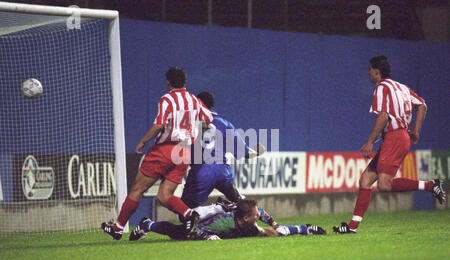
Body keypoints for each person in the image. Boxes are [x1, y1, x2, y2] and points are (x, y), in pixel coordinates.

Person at [333, 55, 447, 234]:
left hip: (394, 138)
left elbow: (383, 115)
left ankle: (431, 185)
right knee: (365, 180)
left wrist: (370, 141)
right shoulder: (402, 87)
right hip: (399, 137)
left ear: (377, 72)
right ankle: (352, 227)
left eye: (370, 68)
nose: (368, 72)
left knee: (384, 184)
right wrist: (416, 131)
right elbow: (423, 105)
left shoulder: (381, 87)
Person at [102, 67, 213, 240]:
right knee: (164, 195)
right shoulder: (194, 100)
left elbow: (160, 124)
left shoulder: (167, 99)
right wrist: (193, 132)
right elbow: (208, 119)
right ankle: (190, 214)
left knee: (137, 189)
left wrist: (143, 141)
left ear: (168, 82)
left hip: (165, 150)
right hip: (184, 152)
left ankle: (117, 228)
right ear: (185, 82)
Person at [180, 91, 265, 209]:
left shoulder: (189, 122)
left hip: (201, 172)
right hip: (223, 171)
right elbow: (244, 153)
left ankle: (218, 209)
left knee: (184, 209)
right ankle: (238, 208)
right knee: (237, 201)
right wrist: (257, 152)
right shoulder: (224, 123)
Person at [129, 198, 326, 241]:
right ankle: (148, 223)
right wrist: (207, 238)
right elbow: (201, 231)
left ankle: (305, 228)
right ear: (246, 218)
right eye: (255, 215)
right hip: (198, 222)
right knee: (177, 232)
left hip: (239, 229)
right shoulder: (222, 222)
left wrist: (274, 224)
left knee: (276, 233)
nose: (259, 215)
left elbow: (262, 213)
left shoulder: (248, 216)